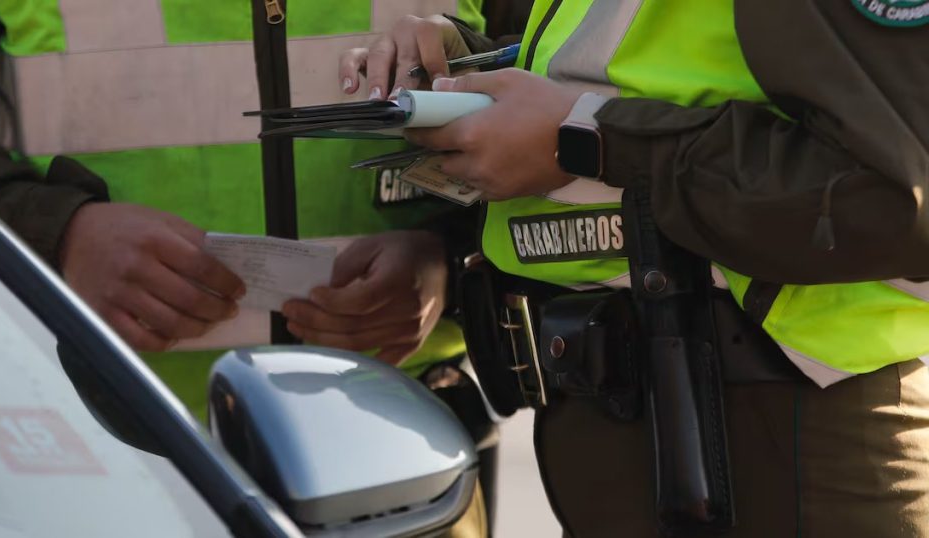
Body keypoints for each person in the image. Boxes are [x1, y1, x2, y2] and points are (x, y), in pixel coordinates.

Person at [0, 1, 498, 536]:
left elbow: (566, 126)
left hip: (404, 474)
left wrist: (451, 263)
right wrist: (55, 236)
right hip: (70, 467)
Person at [348, 1, 929, 536]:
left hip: (785, 433)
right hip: (635, 424)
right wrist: (475, 65)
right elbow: (640, 71)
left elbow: (896, 198)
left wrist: (591, 137)